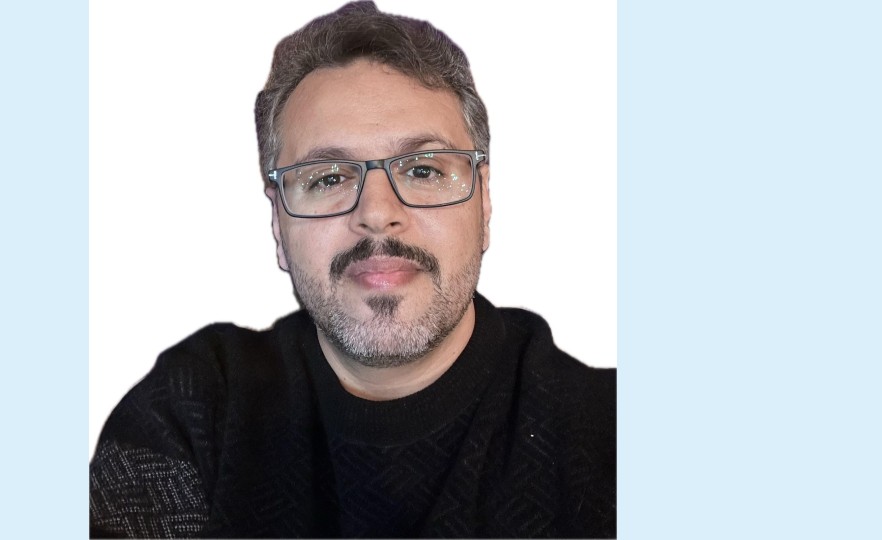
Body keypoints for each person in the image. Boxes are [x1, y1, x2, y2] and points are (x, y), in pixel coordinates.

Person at [89, 1, 615, 537]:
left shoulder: (616, 439)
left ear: (484, 203)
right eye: (328, 178)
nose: (377, 214)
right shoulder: (194, 411)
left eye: (423, 170)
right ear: (278, 224)